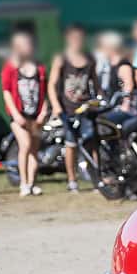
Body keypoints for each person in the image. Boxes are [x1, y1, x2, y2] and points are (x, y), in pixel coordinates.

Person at [48, 24, 101, 188]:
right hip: (68, 109)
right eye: (74, 38)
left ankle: (96, 179)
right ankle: (72, 180)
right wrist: (56, 106)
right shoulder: (61, 58)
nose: (77, 41)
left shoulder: (90, 58)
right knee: (71, 144)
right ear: (68, 39)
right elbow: (52, 84)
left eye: (80, 38)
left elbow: (95, 82)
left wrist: (99, 99)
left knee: (91, 143)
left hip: (86, 108)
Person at [0, 29, 48, 195]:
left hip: (36, 114)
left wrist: (44, 112)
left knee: (34, 150)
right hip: (19, 115)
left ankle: (33, 183)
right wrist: (16, 114)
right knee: (25, 145)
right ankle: (24, 183)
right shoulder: (10, 68)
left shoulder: (39, 67)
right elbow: (6, 92)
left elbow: (45, 91)